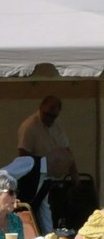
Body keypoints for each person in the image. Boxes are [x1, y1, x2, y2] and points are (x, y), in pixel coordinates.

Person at [18, 95, 77, 231]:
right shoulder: (29, 126)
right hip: (35, 174)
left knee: (49, 211)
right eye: (46, 114)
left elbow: (67, 152)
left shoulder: (58, 126)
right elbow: (23, 154)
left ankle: (49, 234)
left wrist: (75, 175)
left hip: (52, 178)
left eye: (53, 116)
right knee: (32, 210)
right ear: (40, 108)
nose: (49, 118)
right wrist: (32, 174)